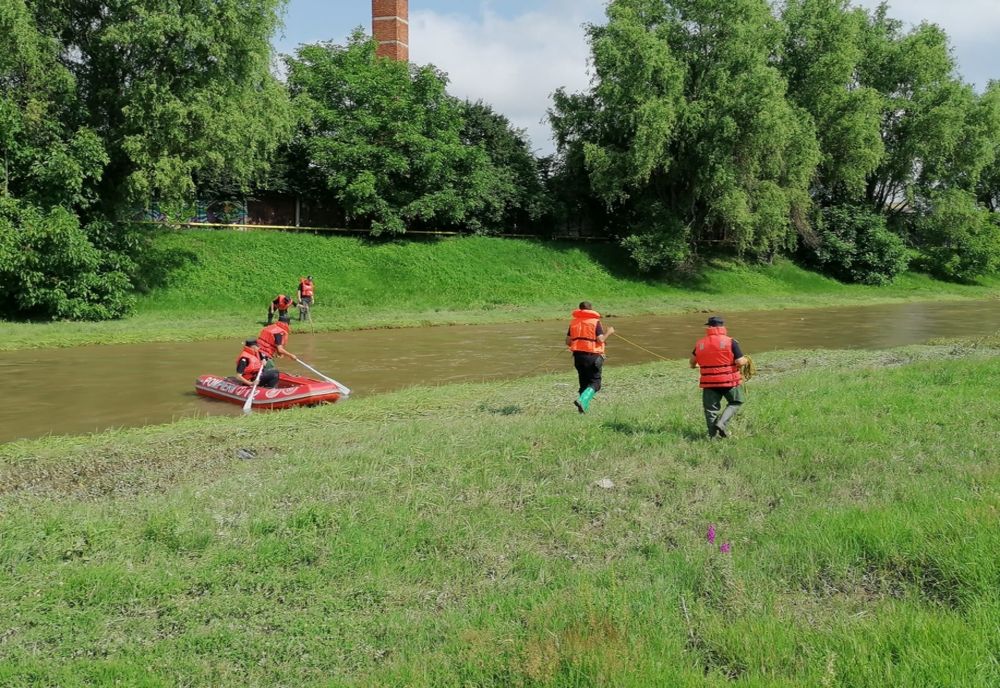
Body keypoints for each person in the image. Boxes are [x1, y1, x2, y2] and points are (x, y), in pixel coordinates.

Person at [690, 315, 749, 438]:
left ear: (709, 327)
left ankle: (712, 436)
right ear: (722, 326)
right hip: (729, 382)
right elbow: (739, 362)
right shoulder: (731, 341)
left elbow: (692, 362)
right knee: (736, 401)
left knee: (710, 409)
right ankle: (722, 423)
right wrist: (746, 360)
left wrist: (694, 366)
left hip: (709, 383)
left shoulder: (700, 343)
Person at [566, 301, 615, 413]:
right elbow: (600, 340)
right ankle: (582, 401)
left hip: (578, 357)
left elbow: (568, 341)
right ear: (591, 309)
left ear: (579, 309)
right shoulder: (595, 322)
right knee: (595, 383)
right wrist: (609, 332)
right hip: (592, 356)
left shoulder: (574, 322)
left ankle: (582, 412)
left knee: (583, 384)